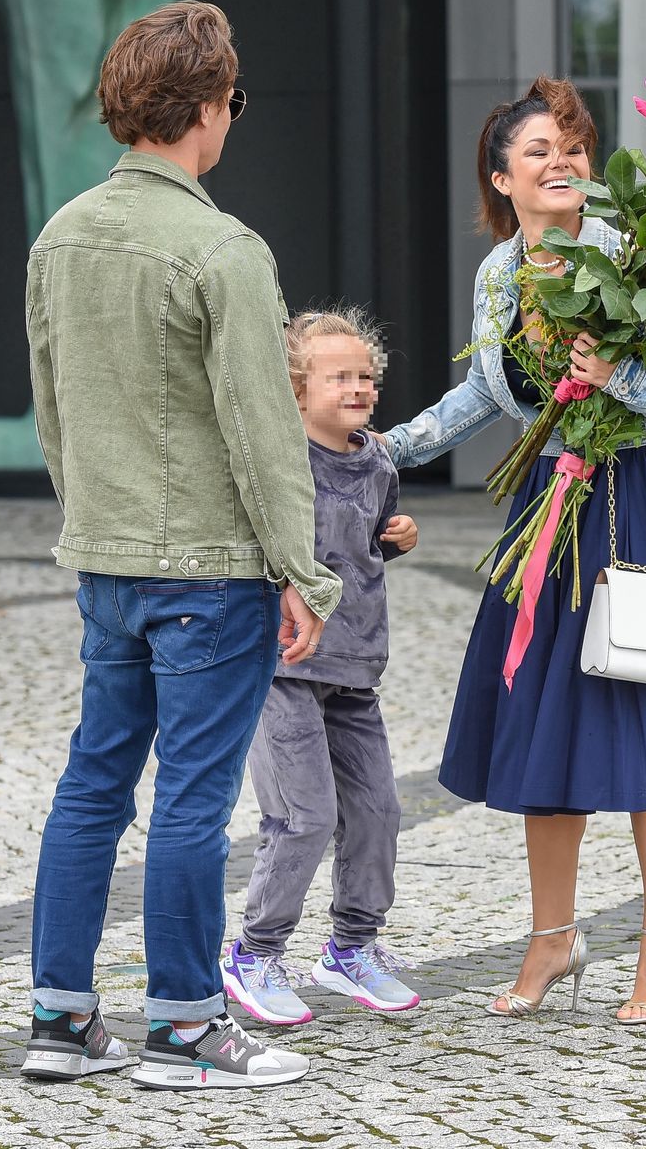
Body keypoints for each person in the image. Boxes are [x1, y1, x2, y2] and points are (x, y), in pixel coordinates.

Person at [22, 0, 341, 1090]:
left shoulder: (61, 233)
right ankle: (186, 1028)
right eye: (231, 101)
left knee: (92, 787)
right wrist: (305, 571)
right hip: (206, 570)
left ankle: (61, 1022)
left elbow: (51, 408)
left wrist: (93, 517)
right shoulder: (221, 247)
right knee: (195, 800)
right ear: (205, 108)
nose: (231, 121)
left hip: (107, 562)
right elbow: (264, 430)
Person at [381, 77, 646, 1025]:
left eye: (571, 145)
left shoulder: (638, 255)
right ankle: (554, 937)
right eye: (537, 150)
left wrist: (624, 373)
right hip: (552, 504)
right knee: (542, 719)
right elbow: (488, 394)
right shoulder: (500, 275)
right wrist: (387, 449)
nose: (561, 160)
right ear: (502, 178)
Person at [223, 309, 421, 1024]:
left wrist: (397, 535)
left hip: (356, 669)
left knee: (377, 813)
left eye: (366, 375)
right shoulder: (280, 462)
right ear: (296, 388)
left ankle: (351, 948)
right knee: (303, 816)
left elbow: (366, 541)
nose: (359, 387)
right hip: (284, 670)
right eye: (339, 376)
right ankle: (253, 953)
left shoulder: (376, 459)